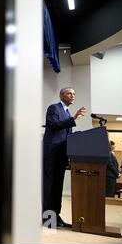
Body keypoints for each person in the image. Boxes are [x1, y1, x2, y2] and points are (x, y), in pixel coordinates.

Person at [43, 87, 86, 227]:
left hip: (61, 155)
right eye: (69, 93)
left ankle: (56, 216)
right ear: (61, 96)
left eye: (74, 93)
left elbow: (67, 136)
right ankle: (48, 219)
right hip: (51, 154)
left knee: (58, 187)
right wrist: (73, 119)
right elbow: (53, 125)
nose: (72, 95)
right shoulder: (54, 108)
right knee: (49, 187)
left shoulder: (67, 112)